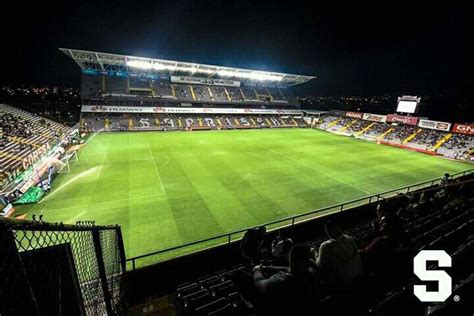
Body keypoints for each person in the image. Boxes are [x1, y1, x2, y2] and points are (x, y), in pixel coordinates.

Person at [253, 244, 317, 315]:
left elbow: (259, 284)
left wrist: (256, 270)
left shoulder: (279, 280)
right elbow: (287, 269)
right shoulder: (311, 273)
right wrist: (266, 267)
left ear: (289, 258)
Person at [315, 220, 362, 292]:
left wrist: (315, 254)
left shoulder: (326, 246)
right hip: (358, 279)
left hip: (341, 287)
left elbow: (320, 267)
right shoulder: (349, 238)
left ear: (328, 232)